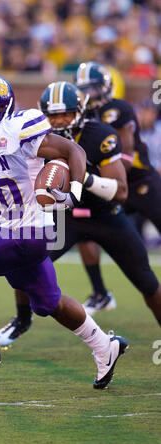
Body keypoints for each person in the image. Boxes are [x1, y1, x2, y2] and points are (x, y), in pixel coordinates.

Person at [0, 73, 128, 390]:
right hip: (8, 227)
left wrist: (72, 193)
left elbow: (74, 152)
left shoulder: (19, 127)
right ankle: (104, 346)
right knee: (49, 303)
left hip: (32, 228)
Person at [0, 80, 161, 349]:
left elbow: (119, 191)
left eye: (66, 114)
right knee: (23, 263)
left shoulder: (100, 135)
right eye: (53, 115)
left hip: (105, 215)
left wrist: (80, 176)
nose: (59, 121)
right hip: (65, 218)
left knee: (146, 280)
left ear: (80, 112)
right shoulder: (35, 139)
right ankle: (22, 320)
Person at [73, 61, 161, 315]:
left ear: (105, 87)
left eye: (92, 87)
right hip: (108, 188)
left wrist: (94, 175)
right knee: (82, 223)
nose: (87, 94)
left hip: (139, 183)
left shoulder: (115, 109)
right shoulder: (83, 116)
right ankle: (100, 292)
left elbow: (126, 154)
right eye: (83, 88)